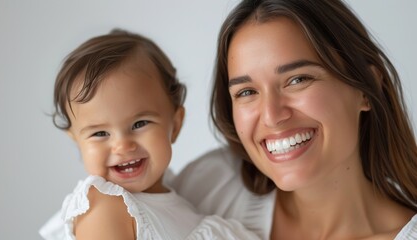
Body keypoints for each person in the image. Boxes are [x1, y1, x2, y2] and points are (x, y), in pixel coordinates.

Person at [172, 0, 417, 239]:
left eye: (298, 79)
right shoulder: (209, 187)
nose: (272, 116)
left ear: (367, 88)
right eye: (247, 92)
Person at [39, 29, 260, 240]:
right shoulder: (106, 206)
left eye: (139, 123)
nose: (122, 146)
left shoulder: (183, 201)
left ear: (175, 124)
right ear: (76, 140)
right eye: (100, 133)